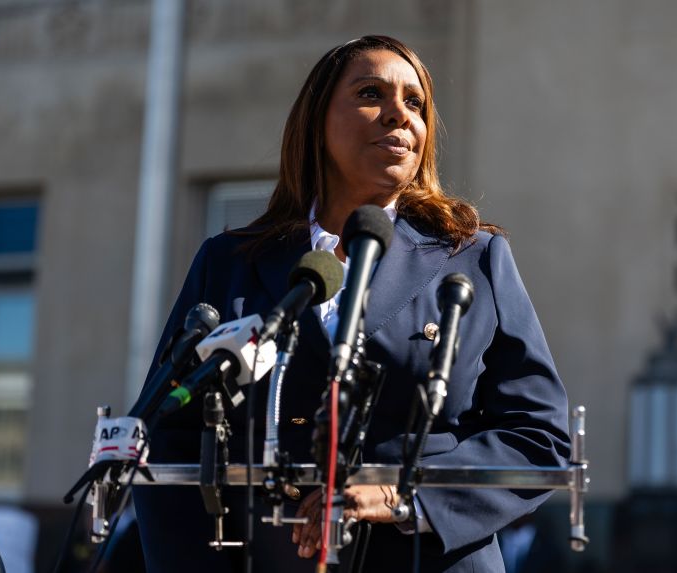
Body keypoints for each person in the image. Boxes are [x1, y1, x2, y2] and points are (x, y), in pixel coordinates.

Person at [134, 35, 570, 573]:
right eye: (371, 94)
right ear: (317, 122)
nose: (399, 116)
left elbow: (540, 439)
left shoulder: (474, 258)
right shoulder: (229, 262)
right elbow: (164, 437)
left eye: (416, 104)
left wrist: (402, 496)